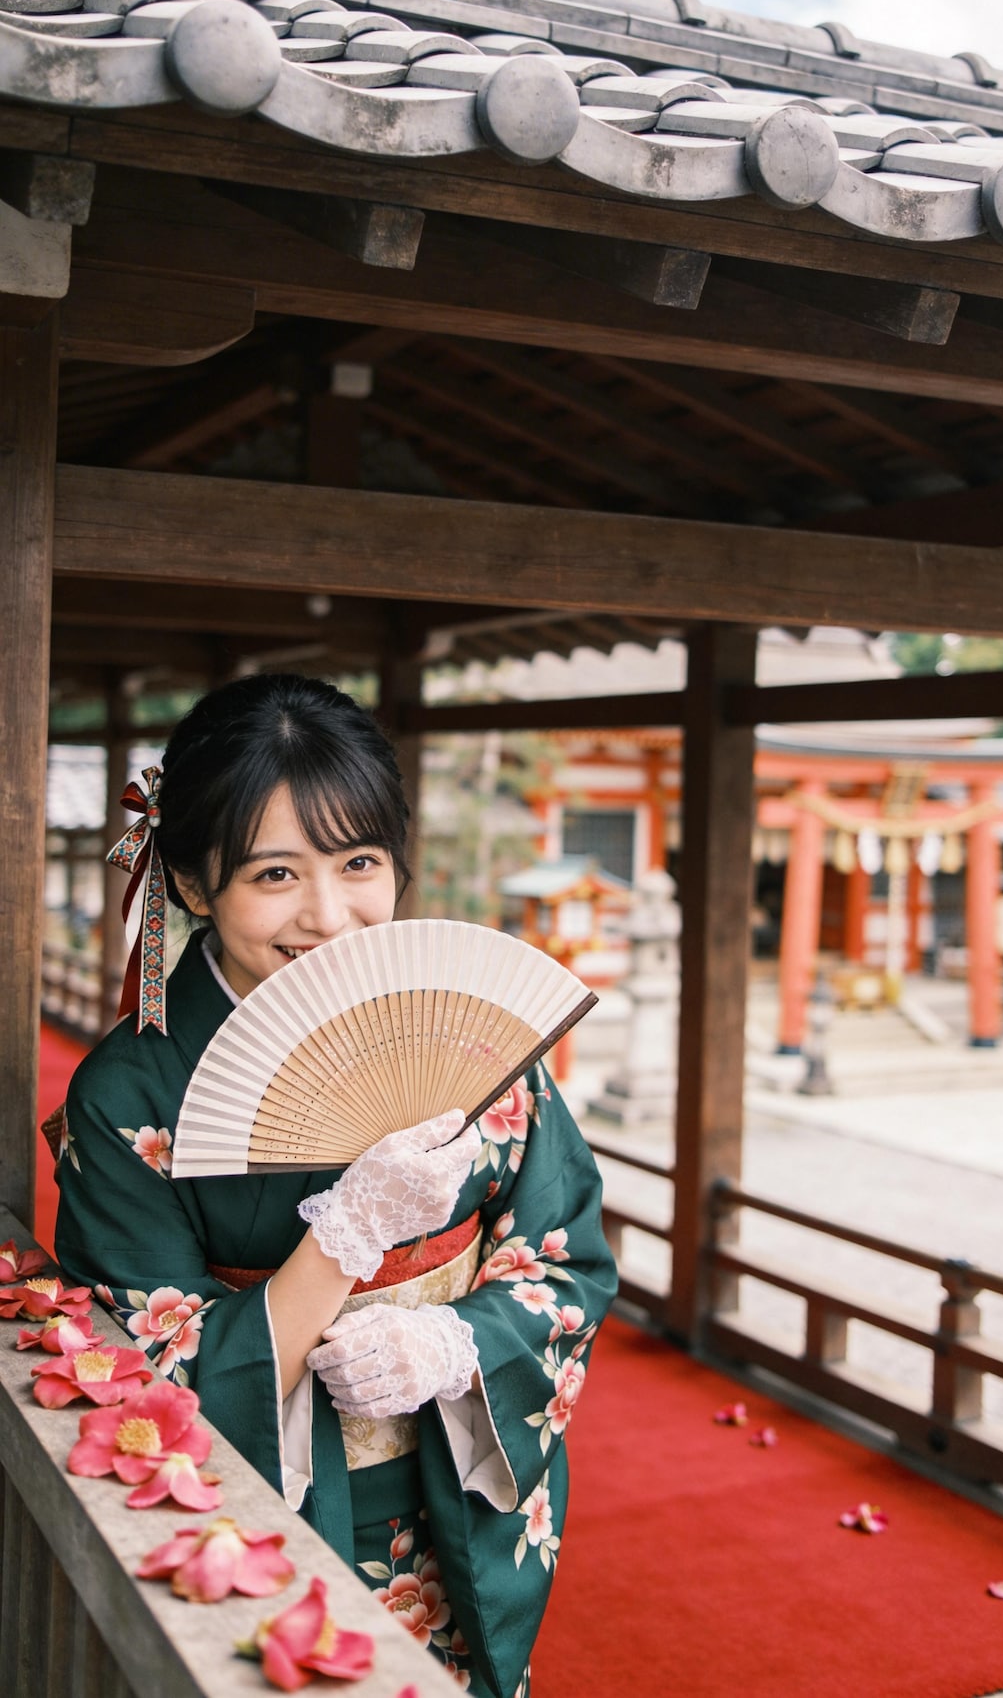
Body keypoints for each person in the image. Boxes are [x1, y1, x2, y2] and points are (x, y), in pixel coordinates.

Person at [55, 673, 617, 1698]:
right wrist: (344, 1238)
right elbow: (145, 1373)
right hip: (276, 1493)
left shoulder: (474, 1028)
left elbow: (565, 1254)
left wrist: (456, 1339)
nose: (330, 914)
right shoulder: (130, 1090)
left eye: (360, 861)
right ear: (189, 880)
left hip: (462, 1465)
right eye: (275, 872)